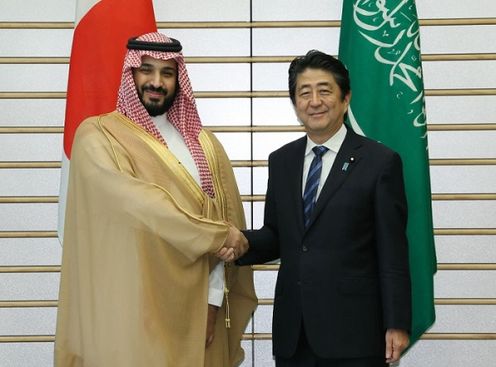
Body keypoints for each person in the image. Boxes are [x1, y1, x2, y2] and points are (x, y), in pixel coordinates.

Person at [54, 32, 257, 367]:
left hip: (196, 310)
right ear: (130, 73)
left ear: (179, 78)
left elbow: (228, 222)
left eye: (167, 73)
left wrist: (211, 302)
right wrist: (214, 235)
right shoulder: (98, 136)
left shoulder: (205, 144)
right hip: (130, 310)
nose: (156, 82)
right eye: (146, 69)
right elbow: (140, 204)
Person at [236, 50, 411, 366]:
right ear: (295, 105)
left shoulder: (380, 162)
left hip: (355, 334)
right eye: (304, 93)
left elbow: (393, 250)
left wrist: (396, 322)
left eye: (324, 90)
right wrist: (237, 243)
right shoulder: (282, 161)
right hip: (294, 334)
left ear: (345, 99)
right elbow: (278, 235)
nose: (314, 101)